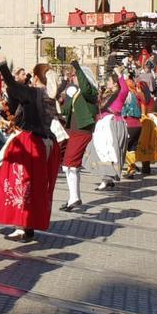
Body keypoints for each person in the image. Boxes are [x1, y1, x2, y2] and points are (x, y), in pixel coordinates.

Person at [0, 61, 60, 240]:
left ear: (37, 78)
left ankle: (21, 227)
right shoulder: (50, 95)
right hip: (46, 143)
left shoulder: (34, 93)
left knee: (18, 183)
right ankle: (29, 224)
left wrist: (1, 66)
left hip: (30, 143)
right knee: (36, 187)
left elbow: (12, 84)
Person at [57, 59, 99, 212]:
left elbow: (86, 87)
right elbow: (65, 111)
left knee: (71, 165)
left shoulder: (90, 92)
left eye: (75, 75)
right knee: (68, 166)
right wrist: (62, 94)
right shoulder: (75, 93)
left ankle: (74, 198)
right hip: (73, 131)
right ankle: (73, 197)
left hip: (82, 132)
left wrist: (77, 67)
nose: (73, 78)